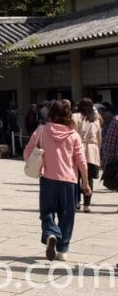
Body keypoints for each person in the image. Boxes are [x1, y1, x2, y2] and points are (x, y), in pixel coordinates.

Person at [23, 100, 91, 261]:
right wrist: (86, 183)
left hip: (47, 179)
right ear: (68, 115)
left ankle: (51, 233)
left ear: (51, 114)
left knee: (47, 213)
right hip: (69, 180)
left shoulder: (41, 130)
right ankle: (63, 250)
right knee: (67, 215)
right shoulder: (73, 135)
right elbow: (81, 160)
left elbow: (27, 152)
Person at [73, 98, 102, 212]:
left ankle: (76, 202)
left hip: (77, 148)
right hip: (91, 150)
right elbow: (99, 138)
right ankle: (87, 204)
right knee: (89, 179)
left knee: (76, 177)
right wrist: (97, 151)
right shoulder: (95, 120)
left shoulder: (75, 117)